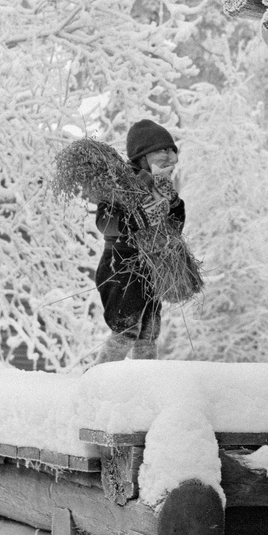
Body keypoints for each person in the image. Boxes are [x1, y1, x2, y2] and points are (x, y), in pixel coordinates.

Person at [93, 119, 184, 363]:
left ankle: (144, 382)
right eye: (162, 151)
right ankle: (100, 379)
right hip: (121, 265)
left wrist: (174, 206)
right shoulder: (122, 184)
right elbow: (104, 220)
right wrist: (133, 221)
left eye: (171, 150)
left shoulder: (164, 187)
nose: (170, 157)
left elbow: (173, 228)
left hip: (150, 266)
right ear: (142, 157)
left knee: (149, 330)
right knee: (126, 328)